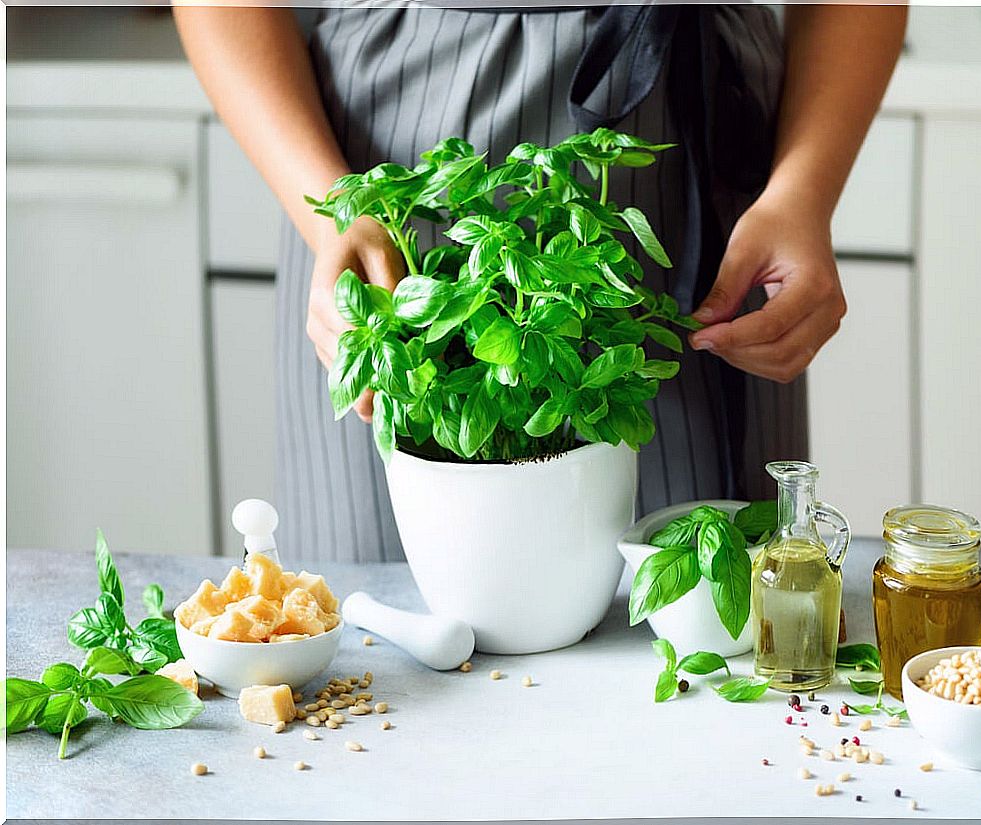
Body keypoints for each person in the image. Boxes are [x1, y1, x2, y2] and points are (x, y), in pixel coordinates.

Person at [175, 3, 907, 563]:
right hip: (390, 180)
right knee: (378, 674)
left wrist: (804, 191)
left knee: (713, 648)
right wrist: (333, 211)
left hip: (699, 161)